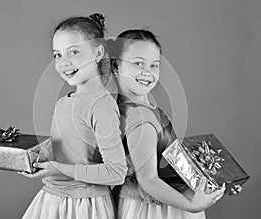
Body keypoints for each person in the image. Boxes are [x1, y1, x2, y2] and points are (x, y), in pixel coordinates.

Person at [108, 29, 228, 219]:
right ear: (116, 65)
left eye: (154, 65)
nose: (147, 72)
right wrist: (192, 205)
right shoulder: (140, 117)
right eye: (138, 63)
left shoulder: (139, 108)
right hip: (156, 210)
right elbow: (148, 180)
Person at [19, 13, 127, 219]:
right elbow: (70, 153)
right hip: (52, 198)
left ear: (98, 54)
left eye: (74, 52)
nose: (63, 63)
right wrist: (30, 159)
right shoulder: (62, 103)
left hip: (84, 206)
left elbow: (116, 172)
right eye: (57, 55)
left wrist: (57, 168)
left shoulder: (101, 104)